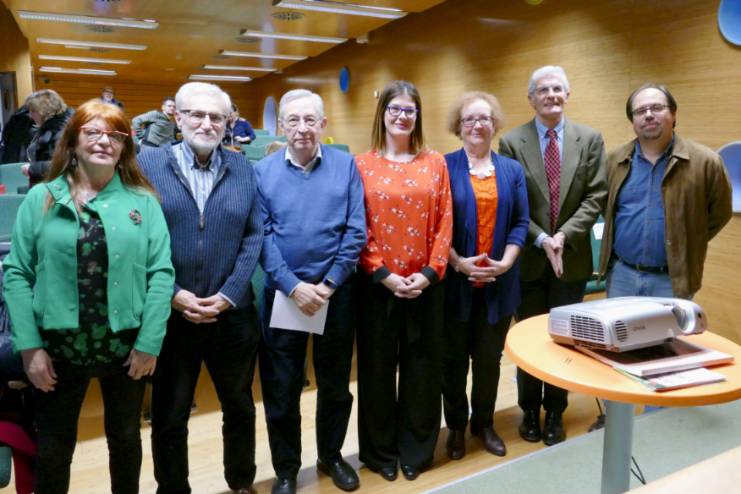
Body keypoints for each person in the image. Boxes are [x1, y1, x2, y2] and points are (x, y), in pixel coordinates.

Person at [2, 99, 175, 493]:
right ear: (73, 141)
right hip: (57, 349)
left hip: (125, 349)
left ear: (125, 147)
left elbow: (161, 274)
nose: (104, 141)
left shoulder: (143, 202)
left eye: (115, 135)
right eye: (93, 132)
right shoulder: (41, 197)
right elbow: (17, 273)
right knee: (53, 450)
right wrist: (30, 348)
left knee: (126, 440)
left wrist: (149, 343)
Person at [138, 82, 263, 494]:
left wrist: (229, 294)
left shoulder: (242, 167)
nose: (207, 123)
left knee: (239, 407)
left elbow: (254, 235)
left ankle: (241, 482)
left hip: (232, 314)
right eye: (197, 114)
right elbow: (137, 240)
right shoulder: (147, 164)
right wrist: (174, 294)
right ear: (178, 117)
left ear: (228, 122)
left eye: (216, 117)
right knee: (170, 415)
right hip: (172, 314)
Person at [255, 89, 366, 494]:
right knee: (282, 388)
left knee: (335, 385)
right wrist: (294, 286)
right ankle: (287, 469)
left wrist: (329, 283)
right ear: (281, 126)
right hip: (285, 296)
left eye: (310, 120)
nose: (302, 128)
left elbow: (356, 230)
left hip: (335, 294)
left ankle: (331, 456)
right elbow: (262, 236)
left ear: (323, 124)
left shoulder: (346, 165)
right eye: (293, 120)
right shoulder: (262, 171)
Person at [498, 65, 607, 446]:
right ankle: (529, 409)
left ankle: (556, 411)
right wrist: (543, 238)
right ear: (531, 99)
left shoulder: (589, 139)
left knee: (564, 339)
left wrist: (563, 236)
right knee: (530, 338)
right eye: (543, 90)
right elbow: (512, 202)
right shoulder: (512, 142)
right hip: (528, 259)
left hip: (571, 258)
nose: (551, 95)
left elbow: (596, 195)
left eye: (558, 88)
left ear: (568, 94)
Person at [355, 80, 452, 482]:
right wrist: (384, 274)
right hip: (377, 286)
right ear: (383, 114)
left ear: (418, 116)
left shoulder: (435, 162)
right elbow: (357, 225)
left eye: (409, 109)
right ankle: (380, 453)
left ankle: (416, 450)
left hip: (425, 286)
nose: (402, 116)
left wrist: (428, 274)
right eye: (395, 108)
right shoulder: (361, 164)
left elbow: (446, 220)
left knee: (422, 371)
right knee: (377, 372)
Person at [442, 92, 529, 460]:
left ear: (495, 124)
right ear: (458, 126)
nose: (477, 125)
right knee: (453, 362)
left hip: (498, 285)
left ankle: (484, 422)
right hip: (455, 285)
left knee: (489, 360)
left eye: (484, 118)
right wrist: (458, 262)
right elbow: (436, 225)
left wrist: (506, 263)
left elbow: (520, 222)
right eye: (469, 119)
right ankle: (456, 427)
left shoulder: (511, 170)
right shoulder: (443, 166)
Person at [599, 83, 731, 298]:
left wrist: (687, 238)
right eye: (640, 111)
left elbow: (720, 213)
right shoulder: (614, 161)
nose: (648, 115)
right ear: (633, 121)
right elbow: (606, 208)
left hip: (672, 281)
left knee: (670, 324)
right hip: (621, 276)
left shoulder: (706, 162)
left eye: (657, 108)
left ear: (674, 113)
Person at [23, 90, 74, 186]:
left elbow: (65, 164)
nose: (30, 116)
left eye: (33, 111)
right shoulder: (50, 128)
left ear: (44, 111)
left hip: (58, 188)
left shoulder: (62, 131)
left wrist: (32, 169)